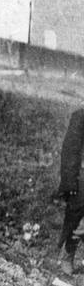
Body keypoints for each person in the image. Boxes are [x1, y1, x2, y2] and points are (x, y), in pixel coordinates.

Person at [55, 108, 84, 275]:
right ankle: (68, 253)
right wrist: (69, 182)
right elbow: (70, 150)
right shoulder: (81, 116)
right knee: (78, 222)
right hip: (82, 177)